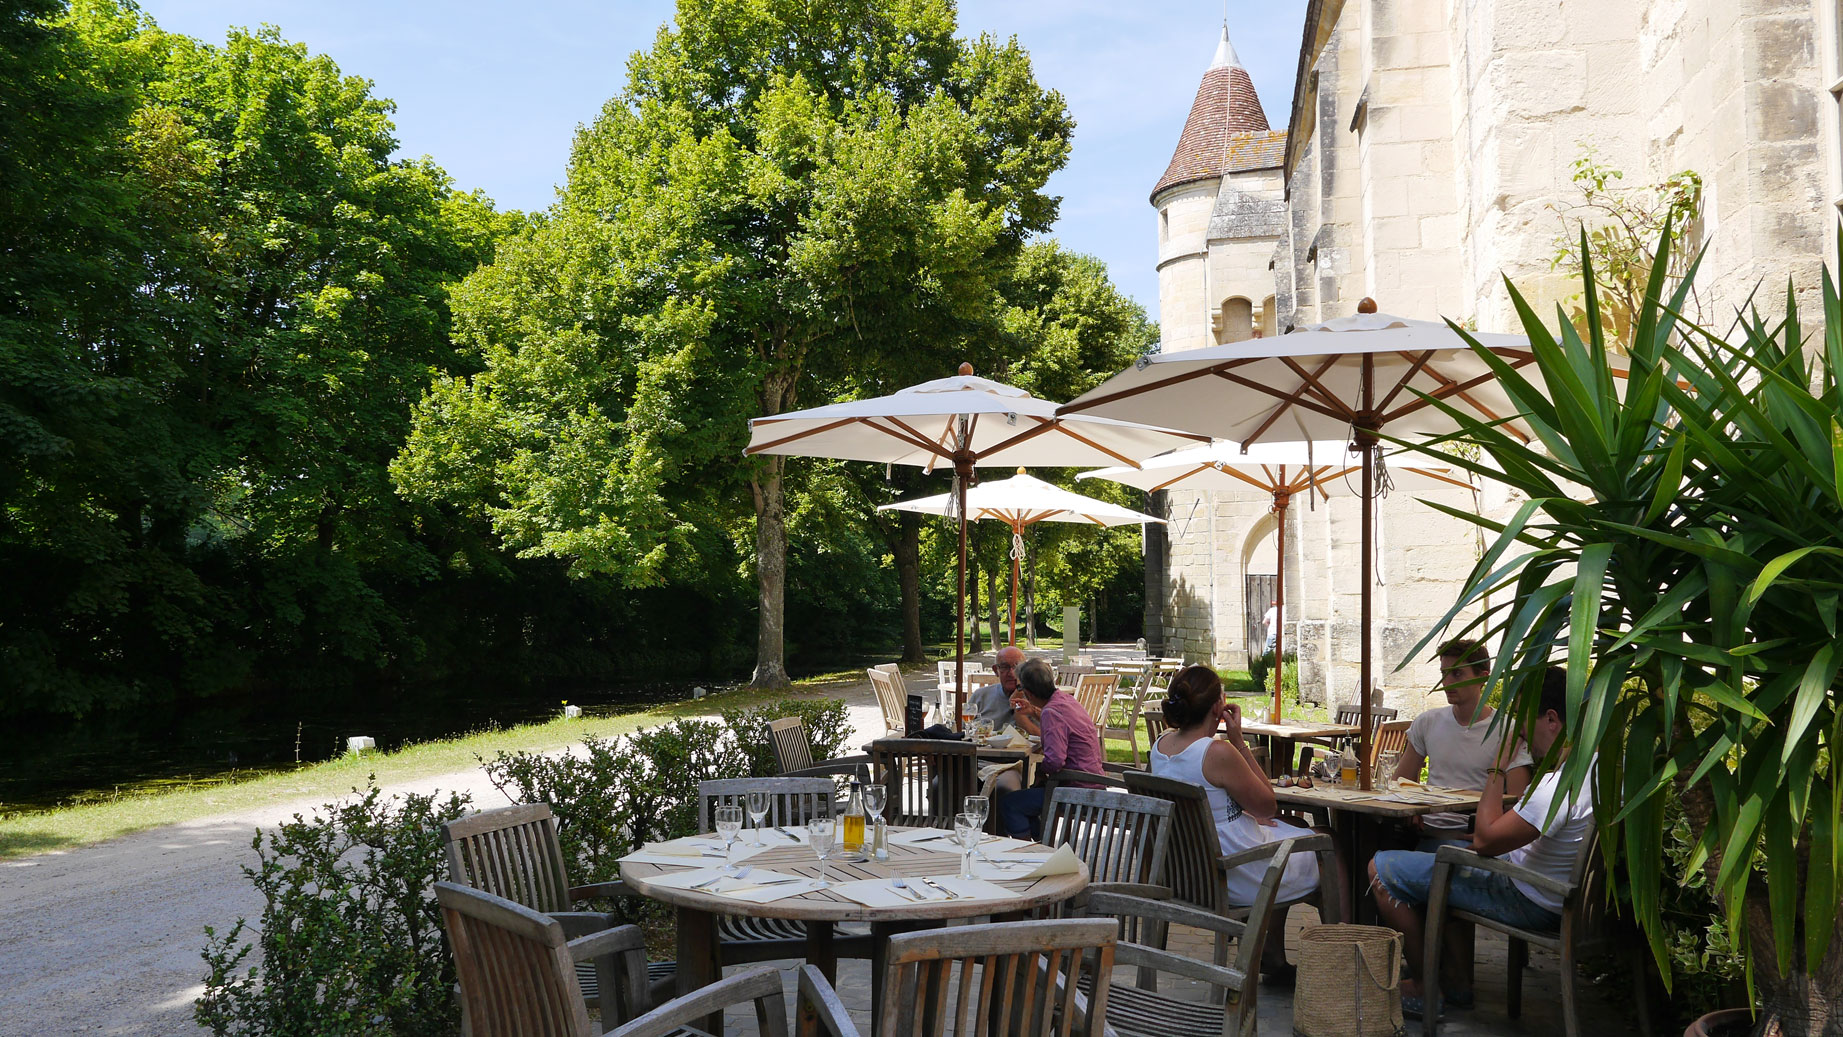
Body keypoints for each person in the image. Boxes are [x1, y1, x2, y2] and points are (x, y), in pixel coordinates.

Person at [1370, 667, 1596, 1019]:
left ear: (1552, 720)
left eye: (1524, 723)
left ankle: (1424, 987)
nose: (1521, 734)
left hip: (1530, 899)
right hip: (1560, 896)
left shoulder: (1559, 785)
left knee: (1380, 868)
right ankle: (1456, 981)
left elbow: (1486, 839)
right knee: (1444, 855)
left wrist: (1499, 764)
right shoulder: (1602, 769)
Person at [1149, 664, 1346, 983]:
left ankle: (1273, 954)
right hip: (1230, 874)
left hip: (1186, 874)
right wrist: (1239, 740)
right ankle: (1343, 959)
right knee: (1329, 842)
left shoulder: (1159, 748)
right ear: (1218, 706)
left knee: (1288, 830)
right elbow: (1267, 803)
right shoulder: (1217, 752)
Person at [1393, 638, 1532, 845]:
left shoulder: (1509, 731)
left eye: (1457, 674)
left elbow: (1516, 802)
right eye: (1444, 674)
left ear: (1482, 678)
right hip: (1424, 831)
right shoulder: (1427, 722)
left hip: (1472, 837)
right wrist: (1410, 809)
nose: (1447, 682)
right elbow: (1400, 782)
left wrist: (1489, 836)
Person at [995, 658, 1105, 839]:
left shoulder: (1051, 712)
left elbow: (1055, 761)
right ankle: (1041, 845)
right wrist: (1033, 711)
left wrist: (1040, 770)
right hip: (1093, 784)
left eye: (1020, 688)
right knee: (1024, 801)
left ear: (1028, 692)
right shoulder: (1065, 700)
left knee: (1010, 803)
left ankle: (1030, 853)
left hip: (1078, 791)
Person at [967, 645, 1022, 731]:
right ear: (996, 670)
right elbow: (963, 728)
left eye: (1017, 667)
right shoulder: (980, 696)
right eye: (1005, 667)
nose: (1011, 673)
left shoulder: (1035, 699)